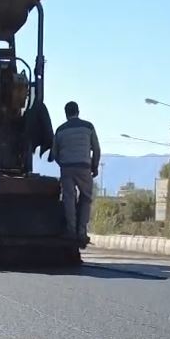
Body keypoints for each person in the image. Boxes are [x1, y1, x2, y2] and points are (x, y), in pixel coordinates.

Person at [52, 100, 101, 246]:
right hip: (84, 167)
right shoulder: (88, 127)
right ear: (78, 112)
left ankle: (71, 230)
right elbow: (97, 149)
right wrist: (95, 166)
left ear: (66, 114)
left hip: (67, 168)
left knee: (69, 198)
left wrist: (63, 164)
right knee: (86, 198)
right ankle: (82, 232)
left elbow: (55, 153)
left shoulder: (60, 130)